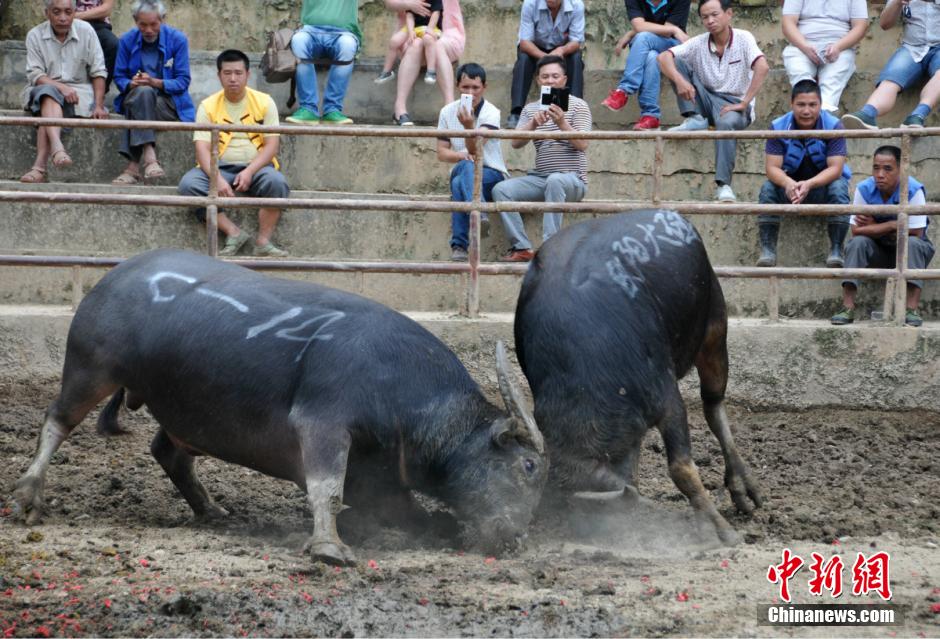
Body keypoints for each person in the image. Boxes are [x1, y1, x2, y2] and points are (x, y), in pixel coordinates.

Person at [178, 50, 290, 258]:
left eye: (238, 73)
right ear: (219, 75)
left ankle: (263, 242)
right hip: (219, 167)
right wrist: (217, 178)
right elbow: (201, 148)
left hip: (257, 168)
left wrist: (249, 171)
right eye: (227, 73)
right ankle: (233, 232)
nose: (233, 78)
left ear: (247, 74)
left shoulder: (265, 102)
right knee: (189, 185)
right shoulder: (208, 105)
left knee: (277, 183)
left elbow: (272, 146)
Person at [658, 0, 769, 203]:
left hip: (733, 105)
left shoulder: (744, 38)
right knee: (677, 61)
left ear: (729, 14)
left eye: (715, 15)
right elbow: (663, 57)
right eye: (705, 17)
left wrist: (745, 103)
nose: (710, 20)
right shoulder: (699, 42)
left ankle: (723, 186)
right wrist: (680, 81)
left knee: (725, 124)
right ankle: (695, 117)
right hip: (706, 100)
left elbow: (762, 66)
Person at [494, 55, 591, 262]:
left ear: (564, 79)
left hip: (572, 180)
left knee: (556, 180)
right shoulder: (530, 109)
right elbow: (515, 143)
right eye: (545, 76)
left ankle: (550, 248)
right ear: (538, 80)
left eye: (555, 76)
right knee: (501, 189)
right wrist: (532, 126)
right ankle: (521, 248)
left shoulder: (579, 106)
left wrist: (563, 123)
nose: (550, 81)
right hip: (542, 178)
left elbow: (583, 144)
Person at [830, 146, 933, 327]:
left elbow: (916, 232)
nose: (880, 174)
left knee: (914, 243)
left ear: (901, 170)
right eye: (876, 168)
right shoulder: (864, 189)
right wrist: (898, 225)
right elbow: (856, 230)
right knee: (857, 243)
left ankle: (911, 309)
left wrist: (880, 225)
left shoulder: (913, 190)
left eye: (887, 169)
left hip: (909, 253)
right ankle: (847, 307)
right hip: (878, 251)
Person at [756, 80, 851, 268]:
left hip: (821, 189)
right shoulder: (778, 126)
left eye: (812, 105)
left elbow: (836, 168)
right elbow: (772, 168)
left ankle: (837, 249)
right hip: (790, 190)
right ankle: (767, 250)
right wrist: (788, 183)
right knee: (768, 189)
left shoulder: (833, 126)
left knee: (839, 186)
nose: (806, 111)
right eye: (801, 104)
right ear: (792, 104)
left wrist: (809, 184)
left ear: (820, 105)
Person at [19, 0, 108, 184]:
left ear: (74, 13)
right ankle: (57, 148)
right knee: (47, 93)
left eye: (68, 12)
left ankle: (39, 168)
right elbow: (36, 74)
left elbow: (98, 71)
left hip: (79, 94)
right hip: (42, 88)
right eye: (56, 12)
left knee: (48, 104)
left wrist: (99, 105)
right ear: (47, 13)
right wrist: (61, 87)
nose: (63, 18)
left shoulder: (87, 31)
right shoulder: (35, 35)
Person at [111, 0, 194, 185]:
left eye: (153, 24)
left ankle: (133, 168)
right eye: (143, 24)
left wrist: (154, 82)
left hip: (169, 104)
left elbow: (183, 81)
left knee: (141, 99)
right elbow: (119, 77)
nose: (148, 29)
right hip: (139, 98)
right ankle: (149, 158)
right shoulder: (126, 40)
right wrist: (131, 83)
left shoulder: (177, 39)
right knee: (142, 94)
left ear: (162, 20)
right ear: (135, 21)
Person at [436, 63, 508, 262]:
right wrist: (461, 156)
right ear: (458, 86)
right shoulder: (447, 112)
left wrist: (469, 126)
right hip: (462, 168)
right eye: (465, 87)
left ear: (484, 87)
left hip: (491, 173)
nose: (470, 92)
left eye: (475, 88)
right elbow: (442, 153)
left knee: (461, 183)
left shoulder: (491, 112)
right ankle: (479, 213)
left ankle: (459, 246)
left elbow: (476, 151)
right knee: (466, 167)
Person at [843, 0, 940, 129]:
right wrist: (898, 2)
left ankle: (918, 115)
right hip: (912, 47)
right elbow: (885, 24)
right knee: (892, 78)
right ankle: (868, 113)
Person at [600, 0, 692, 131]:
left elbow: (664, 32)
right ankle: (650, 116)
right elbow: (639, 25)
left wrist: (634, 32)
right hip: (646, 46)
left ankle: (623, 91)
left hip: (671, 45)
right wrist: (673, 29)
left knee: (642, 37)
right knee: (651, 57)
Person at [507, 0, 585, 129]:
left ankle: (575, 110)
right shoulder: (530, 4)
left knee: (576, 57)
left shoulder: (577, 5)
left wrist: (560, 51)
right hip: (536, 49)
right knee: (523, 59)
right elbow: (525, 42)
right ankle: (516, 112)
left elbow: (576, 41)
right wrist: (547, 58)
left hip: (562, 50)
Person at [781, 0, 868, 114]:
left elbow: (861, 27)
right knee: (801, 78)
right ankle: (804, 112)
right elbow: (788, 23)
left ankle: (823, 117)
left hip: (840, 47)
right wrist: (805, 46)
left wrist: (838, 47)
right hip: (802, 45)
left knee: (831, 85)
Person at [387, 0, 465, 126]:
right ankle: (399, 109)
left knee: (437, 46)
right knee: (415, 45)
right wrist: (409, 5)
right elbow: (389, 3)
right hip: (411, 31)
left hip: (447, 31)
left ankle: (449, 107)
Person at [285, 0, 360, 126]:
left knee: (348, 45)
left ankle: (332, 110)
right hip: (310, 30)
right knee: (298, 39)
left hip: (343, 32)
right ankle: (308, 108)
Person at [376, 0, 443, 85]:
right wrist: (411, 31)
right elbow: (409, 16)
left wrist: (430, 28)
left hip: (430, 27)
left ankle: (431, 71)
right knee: (394, 41)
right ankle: (386, 71)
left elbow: (436, 14)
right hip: (413, 27)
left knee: (428, 39)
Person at [75, 0, 118, 92]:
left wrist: (76, 16)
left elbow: (106, 10)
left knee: (113, 44)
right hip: (73, 24)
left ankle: (101, 91)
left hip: (99, 25)